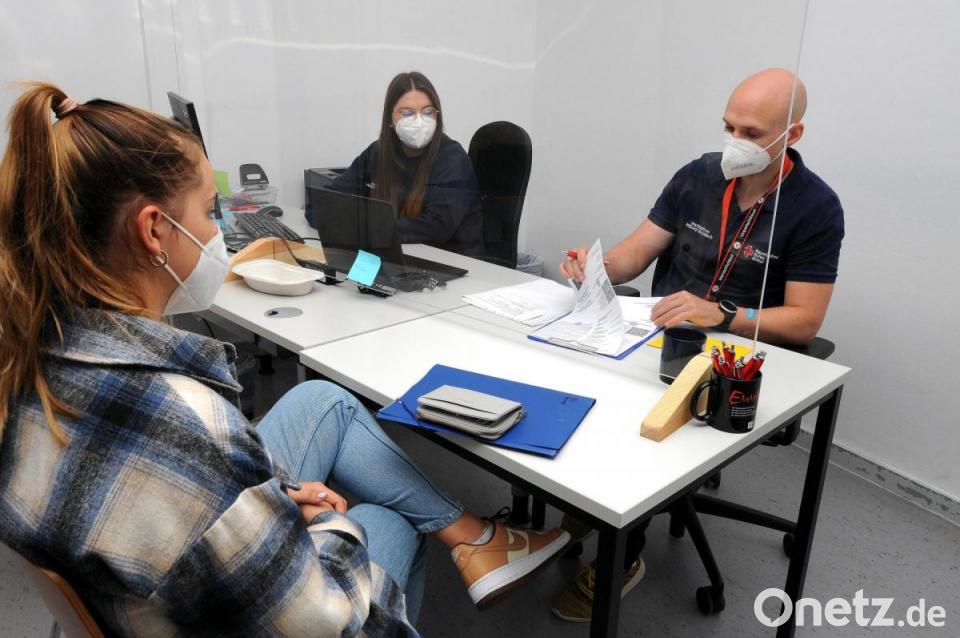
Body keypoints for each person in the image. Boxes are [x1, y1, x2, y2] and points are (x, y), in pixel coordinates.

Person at [0, 83, 569, 637]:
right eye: (208, 210)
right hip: (241, 601)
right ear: (154, 230)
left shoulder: (32, 350)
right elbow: (327, 621)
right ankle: (472, 539)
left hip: (152, 580)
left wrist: (267, 501)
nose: (215, 231)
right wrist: (326, 520)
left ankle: (475, 539)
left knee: (321, 400)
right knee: (386, 523)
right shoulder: (186, 424)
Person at [553, 68, 844, 621]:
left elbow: (805, 322)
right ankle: (586, 506)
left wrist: (726, 315)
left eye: (752, 133)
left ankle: (624, 553)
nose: (735, 142)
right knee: (578, 380)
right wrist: (594, 267)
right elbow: (634, 255)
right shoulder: (698, 177)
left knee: (635, 424)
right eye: (728, 126)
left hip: (737, 358)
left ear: (794, 135)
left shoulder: (815, 207)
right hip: (659, 335)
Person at [318, 71, 484, 257]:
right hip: (398, 257)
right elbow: (327, 202)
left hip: (454, 263)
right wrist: (331, 218)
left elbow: (435, 227)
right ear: (391, 118)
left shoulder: (452, 158)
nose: (419, 121)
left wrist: (365, 228)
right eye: (407, 113)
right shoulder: (378, 153)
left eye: (428, 112)